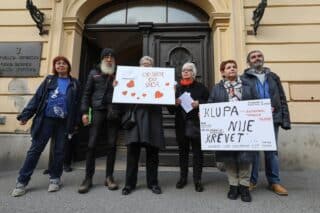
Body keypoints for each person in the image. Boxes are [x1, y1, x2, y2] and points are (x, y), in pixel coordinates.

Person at [12, 56, 81, 197]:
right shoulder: (49, 80)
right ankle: (22, 182)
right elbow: (37, 98)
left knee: (59, 151)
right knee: (35, 150)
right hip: (46, 120)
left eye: (63, 63)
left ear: (68, 66)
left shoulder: (74, 83)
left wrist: (77, 121)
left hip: (64, 122)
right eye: (58, 63)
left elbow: (78, 104)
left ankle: (55, 179)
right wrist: (25, 115)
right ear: (55, 67)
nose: (61, 65)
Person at [242, 50, 291, 196]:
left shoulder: (273, 77)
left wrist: (285, 119)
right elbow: (241, 99)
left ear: (263, 59)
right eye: (253, 57)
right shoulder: (243, 78)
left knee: (272, 151)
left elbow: (281, 97)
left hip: (272, 118)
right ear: (249, 61)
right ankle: (252, 180)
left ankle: (274, 182)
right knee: (254, 152)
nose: (257, 59)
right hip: (253, 119)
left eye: (259, 56)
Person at [208, 60, 258, 202]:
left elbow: (257, 101)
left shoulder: (248, 86)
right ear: (223, 72)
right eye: (228, 67)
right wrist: (205, 113)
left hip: (245, 128)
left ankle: (244, 187)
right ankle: (233, 186)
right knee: (229, 157)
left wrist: (265, 110)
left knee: (245, 157)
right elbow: (211, 103)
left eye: (234, 67)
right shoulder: (217, 88)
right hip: (226, 130)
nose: (232, 69)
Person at [78, 48, 121, 194]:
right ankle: (88, 178)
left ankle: (109, 177)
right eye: (106, 57)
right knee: (91, 144)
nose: (109, 59)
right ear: (102, 59)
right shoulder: (93, 73)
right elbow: (86, 93)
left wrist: (118, 86)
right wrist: (84, 112)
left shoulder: (119, 75)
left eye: (111, 57)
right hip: (97, 111)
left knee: (112, 145)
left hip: (113, 112)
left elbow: (128, 92)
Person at [121, 56, 165, 195]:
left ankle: (153, 183)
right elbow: (121, 97)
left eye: (149, 64)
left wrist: (171, 89)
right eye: (144, 64)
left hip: (153, 118)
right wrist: (118, 86)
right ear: (139, 67)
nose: (146, 66)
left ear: (153, 67)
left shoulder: (160, 80)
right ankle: (129, 184)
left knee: (152, 153)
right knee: (132, 152)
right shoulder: (130, 78)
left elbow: (168, 100)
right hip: (136, 118)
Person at [171, 62, 209, 192]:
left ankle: (197, 180)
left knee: (198, 153)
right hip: (181, 125)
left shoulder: (201, 88)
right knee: (183, 153)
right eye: (183, 70)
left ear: (194, 73)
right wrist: (174, 103)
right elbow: (170, 110)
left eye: (188, 70)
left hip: (196, 124)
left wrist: (200, 103)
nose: (185, 72)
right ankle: (183, 178)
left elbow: (210, 104)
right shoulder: (176, 88)